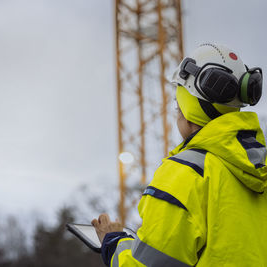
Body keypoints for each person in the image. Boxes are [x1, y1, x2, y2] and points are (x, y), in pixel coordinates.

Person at [92, 43, 267, 266]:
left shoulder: (185, 174)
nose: (178, 113)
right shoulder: (259, 170)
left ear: (190, 111)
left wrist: (113, 242)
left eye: (178, 105)